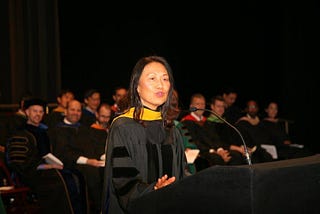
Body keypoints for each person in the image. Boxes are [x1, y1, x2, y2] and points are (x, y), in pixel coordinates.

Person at [101, 55, 187, 214]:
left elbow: (182, 171)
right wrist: (152, 189)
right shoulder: (123, 127)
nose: (160, 85)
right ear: (137, 87)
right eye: (152, 78)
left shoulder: (171, 128)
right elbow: (122, 181)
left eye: (165, 79)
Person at [6, 98, 88, 214]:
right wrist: (45, 166)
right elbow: (18, 163)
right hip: (30, 174)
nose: (38, 114)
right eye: (35, 111)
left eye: (41, 112)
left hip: (49, 170)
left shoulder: (46, 131)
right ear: (27, 112)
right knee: (65, 179)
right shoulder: (20, 134)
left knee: (77, 175)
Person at [49, 99, 105, 214]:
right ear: (65, 111)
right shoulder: (58, 130)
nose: (76, 113)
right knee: (92, 172)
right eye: (72, 109)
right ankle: (100, 208)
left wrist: (104, 157)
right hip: (73, 164)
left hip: (93, 161)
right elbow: (63, 153)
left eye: (78, 110)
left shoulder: (85, 128)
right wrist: (88, 161)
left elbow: (96, 146)